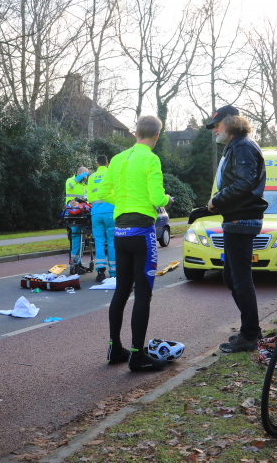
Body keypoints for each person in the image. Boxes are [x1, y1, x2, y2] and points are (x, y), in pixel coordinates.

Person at [97, 115, 173, 372]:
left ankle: (115, 348)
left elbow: (101, 193)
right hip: (142, 232)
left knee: (121, 290)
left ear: (136, 132)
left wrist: (122, 201)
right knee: (143, 293)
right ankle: (138, 356)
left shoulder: (117, 159)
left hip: (120, 232)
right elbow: (155, 196)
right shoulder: (151, 159)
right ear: (157, 136)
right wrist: (167, 198)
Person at [205, 105, 268, 354]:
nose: (215, 131)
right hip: (237, 218)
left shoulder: (242, 147)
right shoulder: (238, 145)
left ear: (230, 123)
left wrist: (217, 200)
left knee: (239, 279)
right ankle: (250, 331)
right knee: (232, 277)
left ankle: (251, 335)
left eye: (217, 125)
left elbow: (244, 183)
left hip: (241, 219)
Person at [88, 155, 116, 282]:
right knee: (111, 242)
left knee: (99, 241)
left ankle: (100, 272)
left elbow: (89, 197)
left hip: (96, 213)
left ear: (97, 164)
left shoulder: (92, 177)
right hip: (110, 211)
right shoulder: (112, 174)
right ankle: (114, 272)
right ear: (108, 163)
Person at [65, 167, 89, 271]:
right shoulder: (70, 180)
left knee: (82, 239)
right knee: (76, 239)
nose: (86, 177)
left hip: (81, 213)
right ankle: (74, 263)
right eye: (85, 174)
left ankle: (78, 262)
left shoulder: (84, 185)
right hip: (72, 213)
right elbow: (70, 186)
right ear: (79, 173)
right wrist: (80, 177)